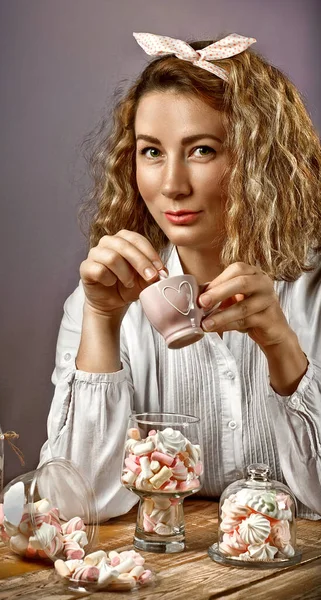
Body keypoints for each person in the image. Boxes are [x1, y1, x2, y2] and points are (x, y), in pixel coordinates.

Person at [39, 32, 321, 521]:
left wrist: (280, 346)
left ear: (260, 161)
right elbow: (76, 503)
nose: (171, 185)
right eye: (151, 152)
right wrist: (103, 322)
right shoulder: (102, 303)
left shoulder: (312, 294)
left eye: (202, 150)